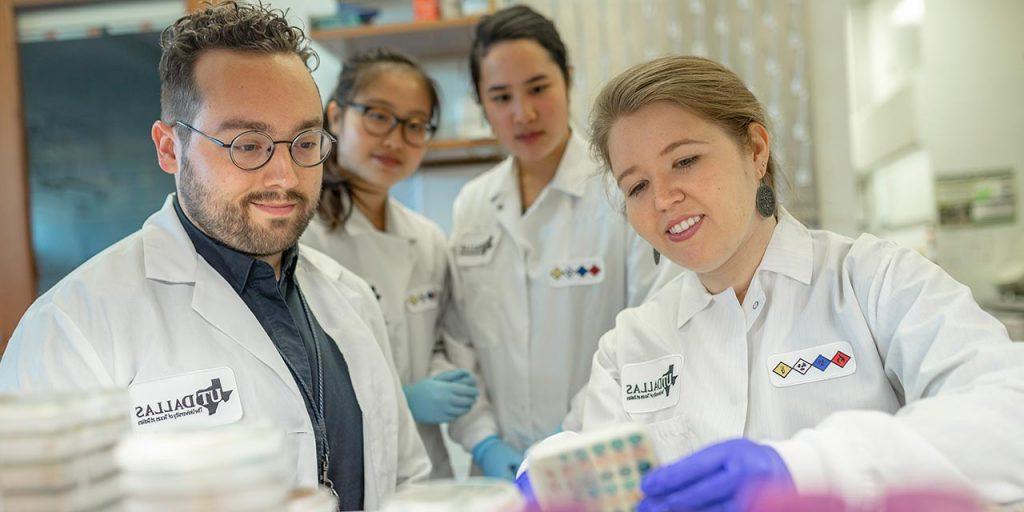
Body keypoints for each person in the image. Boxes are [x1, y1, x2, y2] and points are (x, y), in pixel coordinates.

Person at [520, 55, 1024, 510]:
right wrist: (546, 473)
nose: (663, 199)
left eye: (685, 161)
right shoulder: (632, 343)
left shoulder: (873, 280)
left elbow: (1007, 415)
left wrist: (806, 471)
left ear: (756, 150)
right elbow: (594, 459)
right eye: (637, 185)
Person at [0, 3, 430, 509]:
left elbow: (404, 480)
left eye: (305, 141)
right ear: (169, 149)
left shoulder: (352, 299)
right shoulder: (73, 326)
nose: (285, 177)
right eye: (247, 145)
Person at [445, 5, 675, 481]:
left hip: (599, 454)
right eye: (501, 96)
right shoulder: (472, 205)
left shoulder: (619, 190)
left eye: (538, 88)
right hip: (498, 469)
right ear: (482, 104)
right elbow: (459, 340)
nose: (522, 113)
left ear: (567, 78)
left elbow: (651, 332)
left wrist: (573, 430)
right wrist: (482, 439)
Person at [300, 47, 478, 479]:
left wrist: (444, 387)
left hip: (426, 466)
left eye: (415, 125)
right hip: (341, 467)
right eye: (378, 116)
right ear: (337, 117)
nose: (396, 139)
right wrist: (400, 397)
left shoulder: (427, 239)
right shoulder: (303, 237)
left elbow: (437, 341)